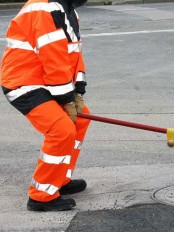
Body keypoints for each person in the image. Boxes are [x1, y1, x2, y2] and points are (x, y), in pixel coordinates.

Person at [1, 0, 90, 211]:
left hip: (44, 82)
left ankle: (59, 180)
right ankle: (41, 196)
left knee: (81, 119)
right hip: (23, 83)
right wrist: (65, 98)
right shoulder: (44, 8)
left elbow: (73, 54)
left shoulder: (68, 10)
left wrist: (77, 90)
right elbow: (53, 56)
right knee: (61, 130)